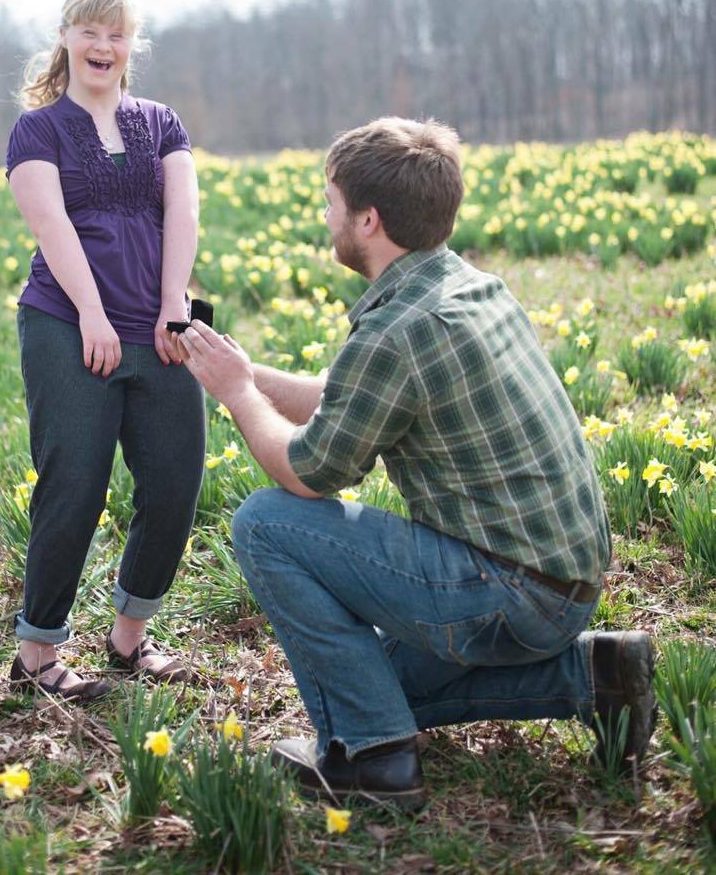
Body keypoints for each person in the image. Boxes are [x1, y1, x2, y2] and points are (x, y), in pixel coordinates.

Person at [175, 116, 656, 807]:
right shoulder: (464, 286)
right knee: (371, 682)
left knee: (264, 522)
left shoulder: (397, 331)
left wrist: (236, 395)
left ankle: (374, 760)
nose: (325, 215)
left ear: (368, 220)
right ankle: (594, 677)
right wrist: (246, 370)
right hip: (561, 585)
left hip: (507, 594)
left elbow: (306, 472)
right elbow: (356, 397)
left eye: (332, 204)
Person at [4, 0, 205, 700]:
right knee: (75, 484)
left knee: (177, 481)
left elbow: (182, 208)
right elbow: (50, 225)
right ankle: (36, 654)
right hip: (66, 322)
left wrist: (173, 304)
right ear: (64, 38)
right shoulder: (40, 129)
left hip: (158, 328)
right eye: (89, 31)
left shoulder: (161, 122)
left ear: (131, 46)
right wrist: (90, 312)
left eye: (116, 35)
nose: (102, 46)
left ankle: (128, 639)